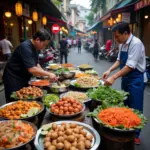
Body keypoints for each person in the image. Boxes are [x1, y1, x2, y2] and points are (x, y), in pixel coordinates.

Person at [102, 22, 146, 145]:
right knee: (125, 105)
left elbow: (130, 66)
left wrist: (114, 77)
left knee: (135, 106)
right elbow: (120, 60)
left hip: (136, 78)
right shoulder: (123, 44)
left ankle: (135, 134)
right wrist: (109, 70)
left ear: (126, 33)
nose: (116, 39)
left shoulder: (136, 44)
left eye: (117, 36)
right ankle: (126, 128)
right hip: (126, 78)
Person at [3, 29, 57, 103]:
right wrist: (49, 74)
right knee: (14, 100)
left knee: (24, 98)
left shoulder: (35, 47)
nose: (44, 47)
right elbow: (32, 69)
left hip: (23, 76)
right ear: (38, 39)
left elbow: (36, 64)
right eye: (44, 44)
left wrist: (45, 75)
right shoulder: (25, 47)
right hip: (13, 77)